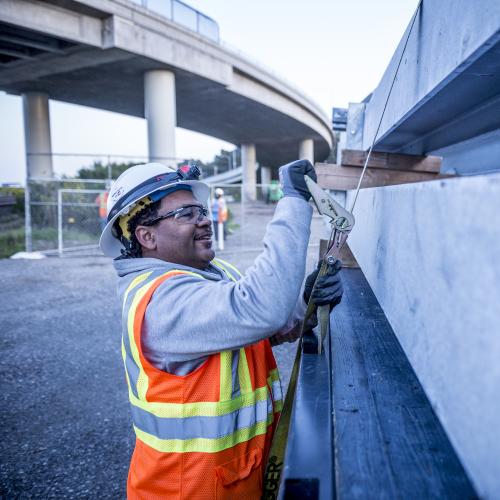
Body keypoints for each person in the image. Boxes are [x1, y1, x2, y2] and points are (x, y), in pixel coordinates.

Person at [99, 160, 343, 499]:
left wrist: (305, 302)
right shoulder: (160, 302)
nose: (204, 220)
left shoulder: (211, 273)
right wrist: (293, 201)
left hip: (236, 479)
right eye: (186, 214)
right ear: (147, 236)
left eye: (201, 210)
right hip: (186, 490)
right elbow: (261, 309)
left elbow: (255, 333)